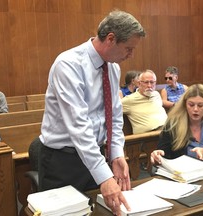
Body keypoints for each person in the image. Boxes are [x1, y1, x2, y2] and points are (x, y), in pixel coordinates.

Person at [38, 10, 145, 216]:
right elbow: (79, 126)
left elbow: (114, 116)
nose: (131, 55)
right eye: (128, 49)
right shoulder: (69, 64)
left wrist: (116, 154)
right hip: (63, 162)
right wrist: (104, 177)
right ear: (111, 39)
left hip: (95, 155)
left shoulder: (112, 68)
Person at [150, 84, 203, 165]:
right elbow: (163, 153)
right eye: (191, 105)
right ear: (185, 104)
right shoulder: (173, 123)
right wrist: (158, 155)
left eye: (200, 105)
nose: (195, 109)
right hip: (182, 173)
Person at [121, 69, 167, 134]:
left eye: (152, 82)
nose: (149, 85)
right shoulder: (129, 100)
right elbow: (112, 110)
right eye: (146, 82)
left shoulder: (156, 94)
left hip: (166, 131)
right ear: (139, 84)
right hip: (146, 138)